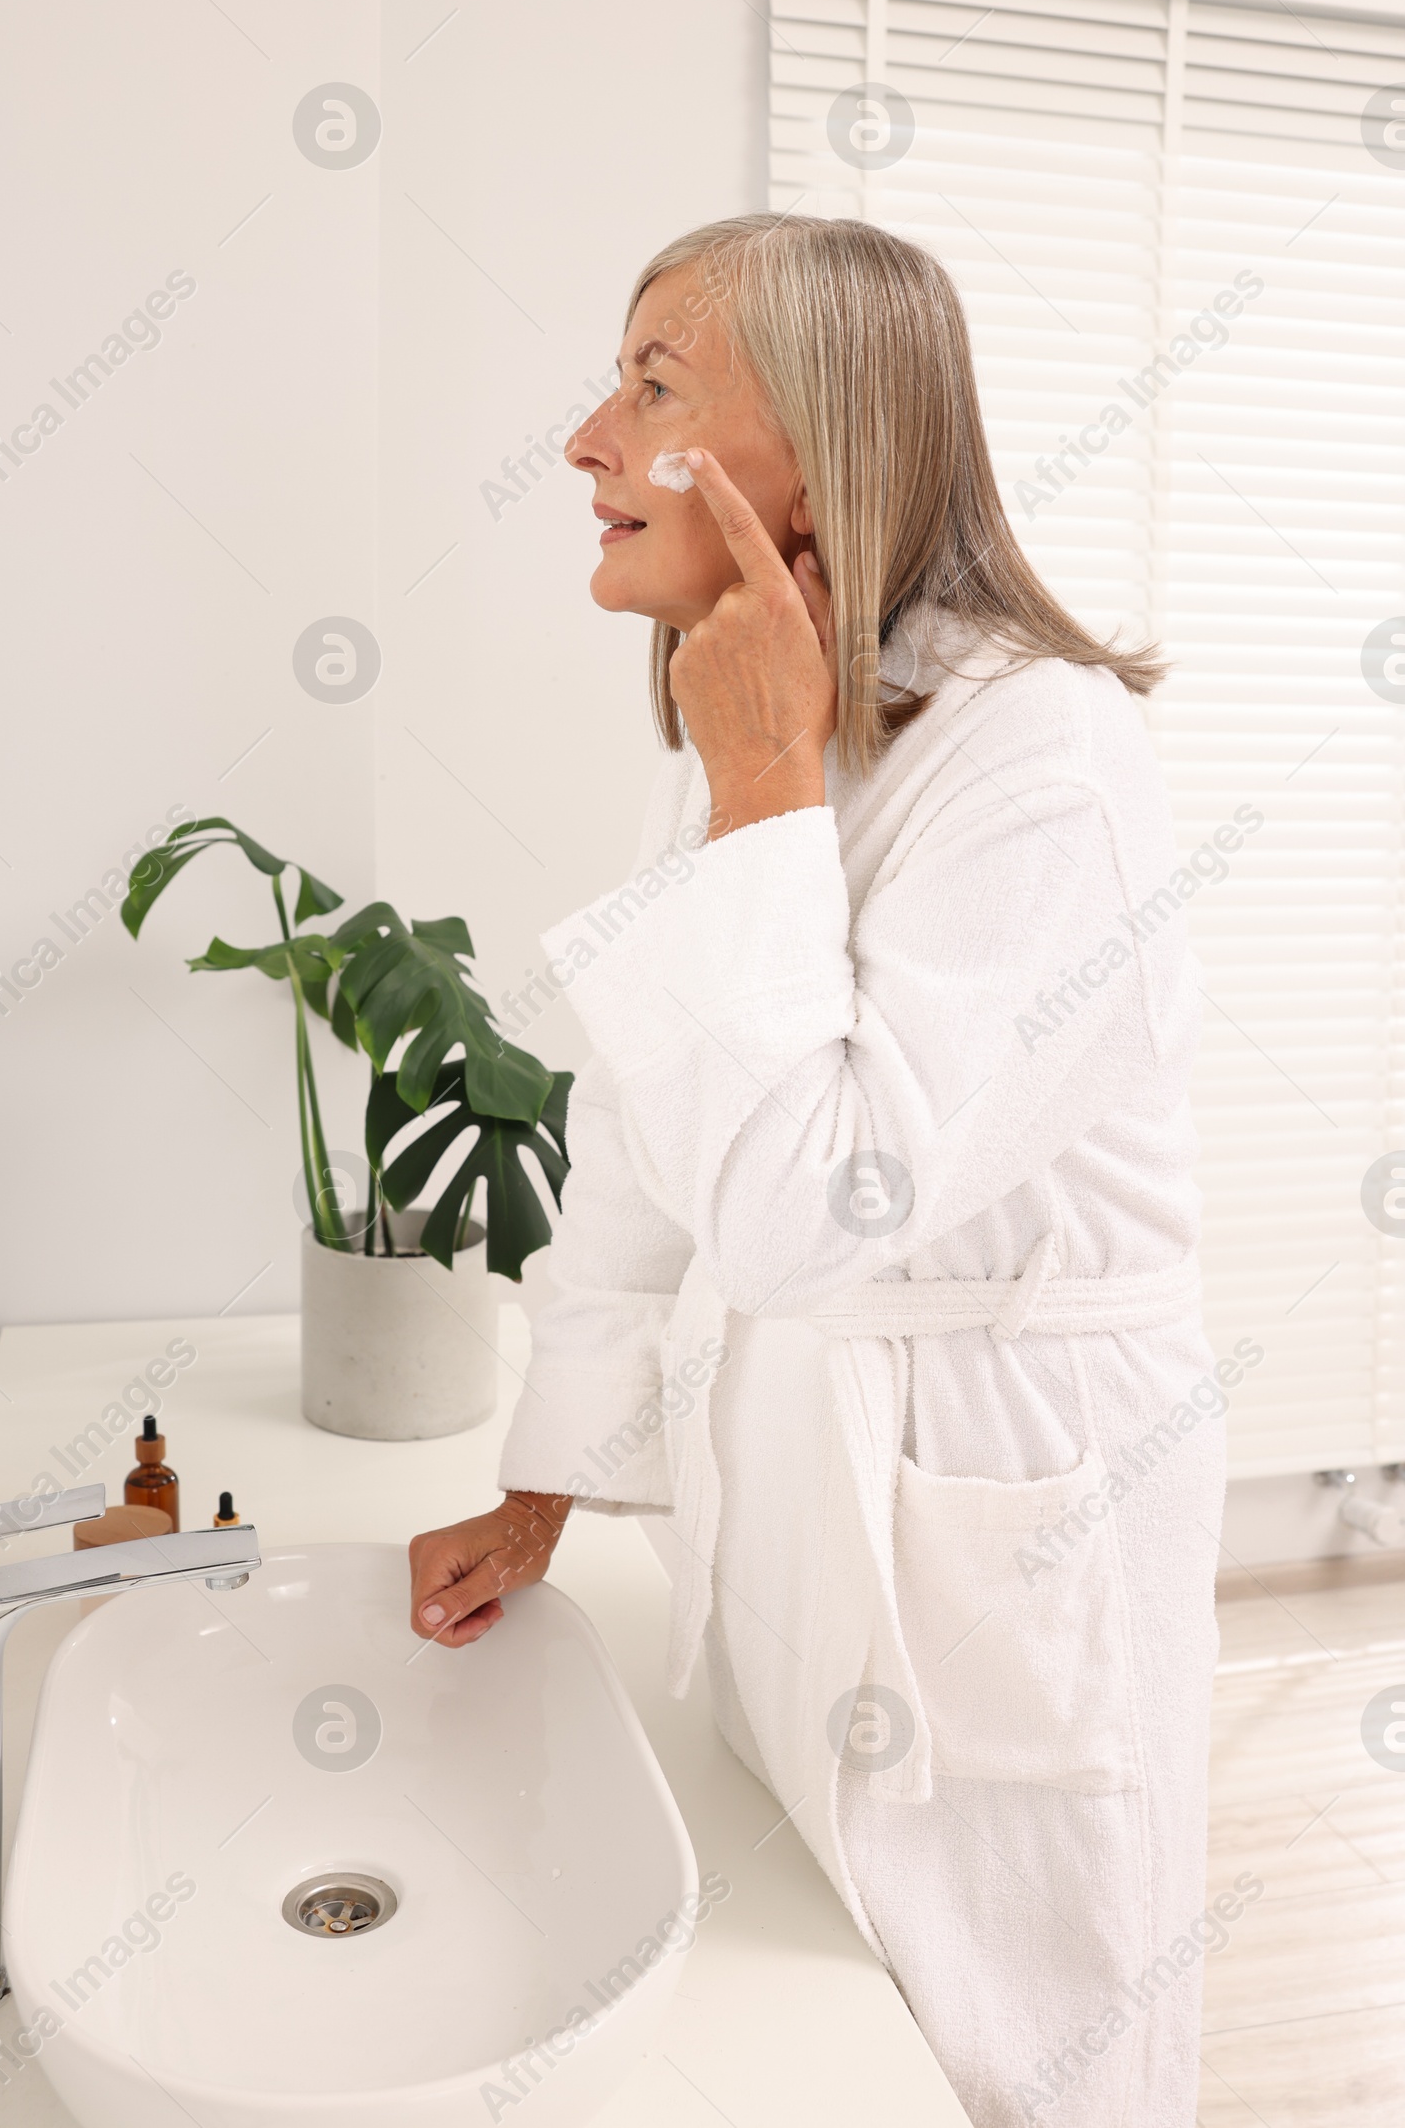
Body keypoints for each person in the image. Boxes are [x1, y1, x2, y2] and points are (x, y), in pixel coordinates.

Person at [407, 214, 1226, 2128]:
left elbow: (804, 1217)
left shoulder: (1047, 762)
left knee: (1023, 2035)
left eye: (655, 389)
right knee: (826, 2009)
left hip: (1002, 1483)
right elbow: (640, 1139)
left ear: (828, 454)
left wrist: (767, 794)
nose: (586, 440)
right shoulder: (745, 731)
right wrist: (546, 1484)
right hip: (792, 1487)